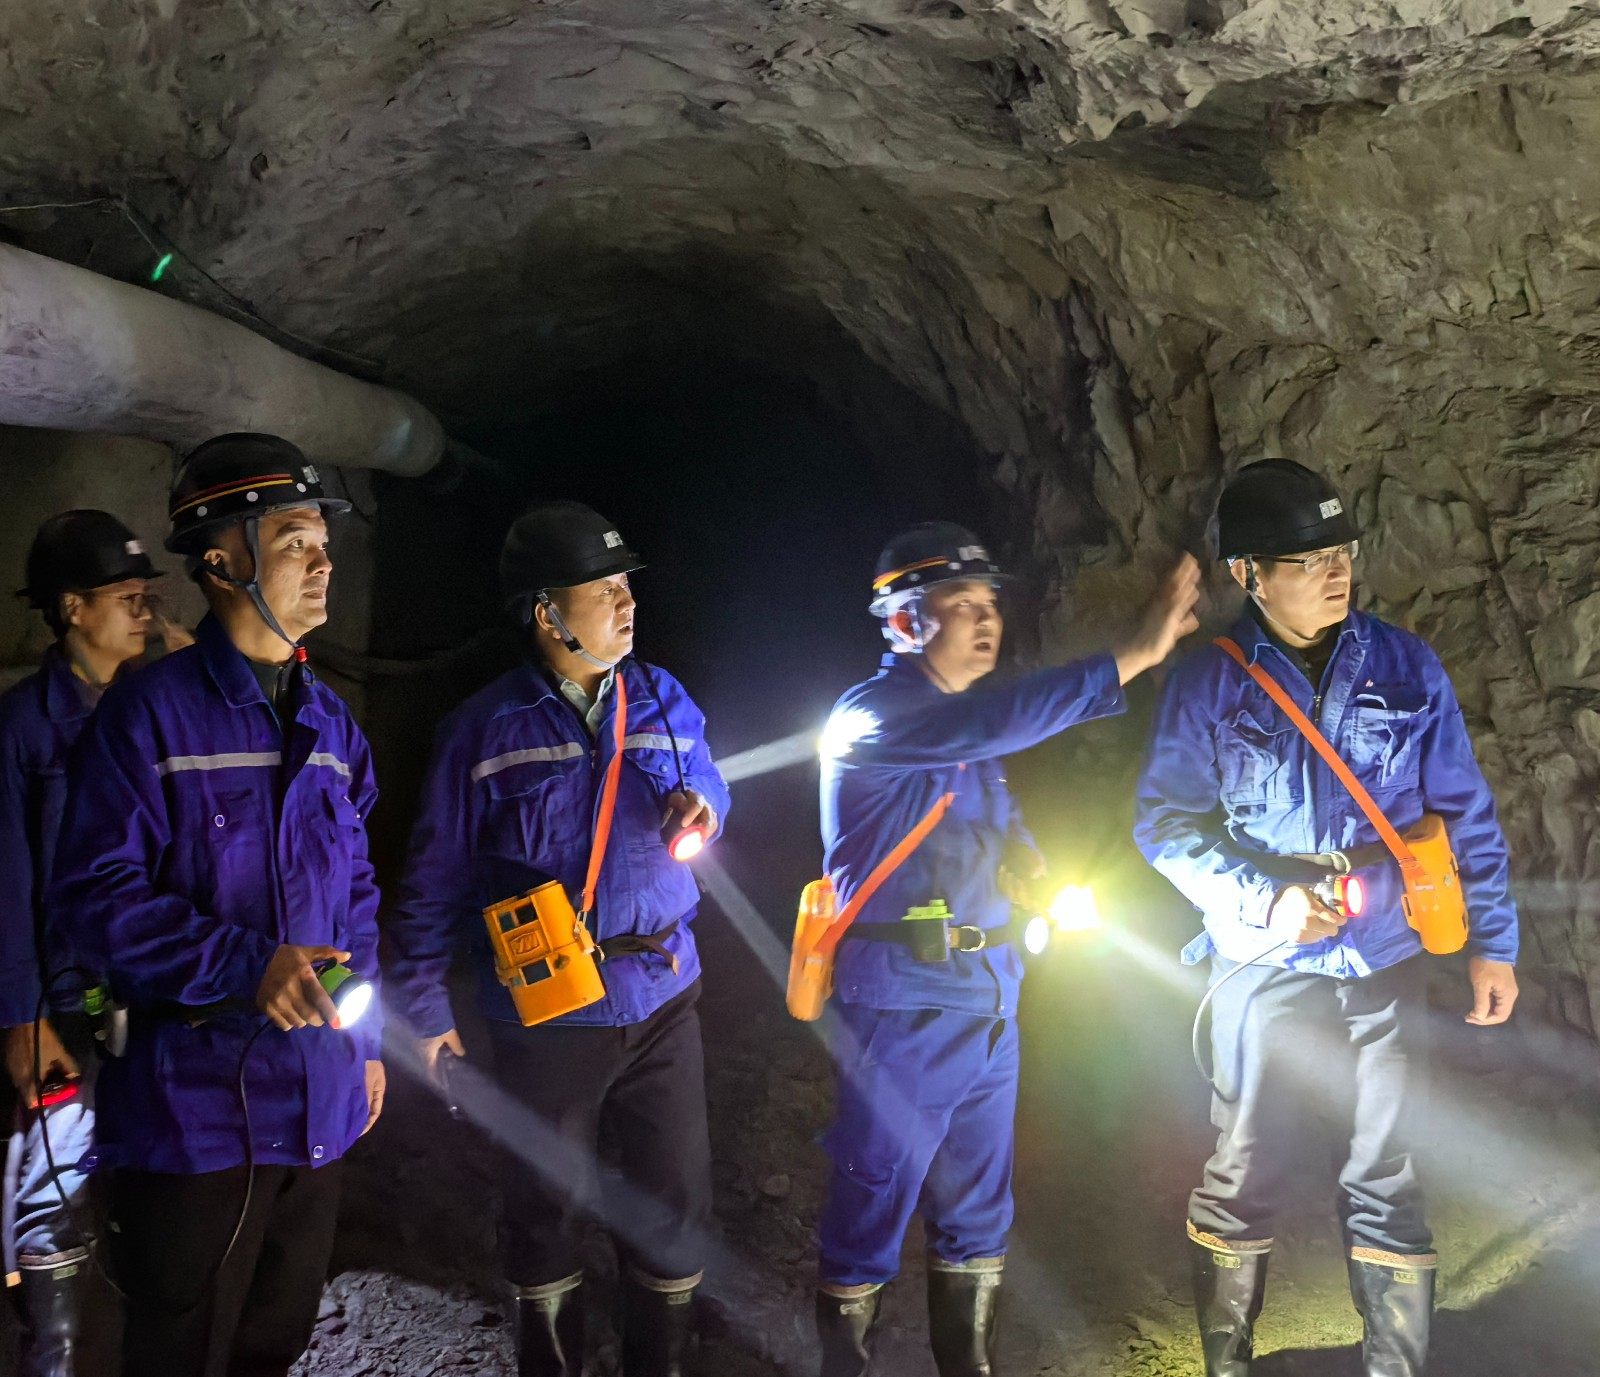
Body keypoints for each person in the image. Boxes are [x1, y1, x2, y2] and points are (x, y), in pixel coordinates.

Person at [1133, 458, 1519, 1376]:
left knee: (1389, 1164)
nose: (1336, 572)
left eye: (1342, 551)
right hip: (1261, 954)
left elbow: (1465, 812)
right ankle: (1228, 1362)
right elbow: (1164, 825)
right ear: (1249, 573)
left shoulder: (1406, 664)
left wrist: (1493, 942)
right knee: (1243, 1163)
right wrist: (1264, 896)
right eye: (1309, 560)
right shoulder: (1210, 681)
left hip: (1385, 951)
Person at [813, 521, 1200, 1376]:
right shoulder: (873, 716)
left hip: (988, 995)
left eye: (990, 602)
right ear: (904, 621)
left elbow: (991, 805)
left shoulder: (966, 737)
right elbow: (992, 724)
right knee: (871, 1198)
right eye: (962, 603)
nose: (987, 618)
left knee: (978, 1210)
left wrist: (1023, 860)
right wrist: (1135, 653)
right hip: (905, 999)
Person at [52, 433, 386, 1377]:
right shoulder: (147, 715)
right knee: (178, 1349)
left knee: (273, 1340)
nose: (322, 563)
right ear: (220, 560)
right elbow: (93, 896)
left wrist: (364, 1043)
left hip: (318, 1098)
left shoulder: (331, 722)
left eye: (323, 543)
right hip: (192, 1110)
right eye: (293, 541)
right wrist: (248, 965)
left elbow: (357, 889)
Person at [388, 501, 731, 1377]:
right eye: (604, 588)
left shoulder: (664, 698)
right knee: (543, 1206)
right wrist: (425, 1010)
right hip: (548, 1010)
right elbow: (433, 880)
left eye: (627, 586)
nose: (627, 603)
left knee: (673, 1202)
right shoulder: (482, 731)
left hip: (662, 992)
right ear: (547, 613)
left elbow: (715, 785)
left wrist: (704, 807)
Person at [0, 510, 175, 1376]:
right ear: (73, 607)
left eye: (148, 597)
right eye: (128, 598)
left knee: (147, 1172)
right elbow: (6, 881)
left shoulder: (155, 713)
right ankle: (53, 1355)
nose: (146, 612)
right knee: (54, 1173)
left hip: (147, 988)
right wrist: (21, 1017)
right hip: (62, 997)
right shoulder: (23, 729)